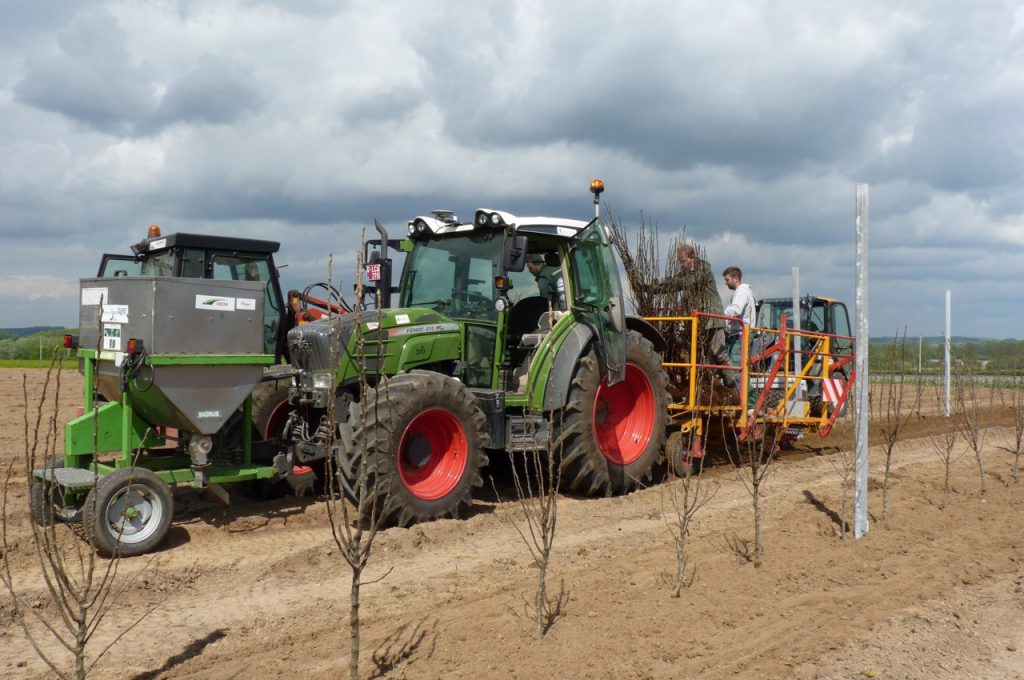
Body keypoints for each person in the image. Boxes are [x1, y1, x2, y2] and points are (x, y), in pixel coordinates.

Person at [657, 243, 735, 388]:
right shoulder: (685, 274)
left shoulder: (703, 268)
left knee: (719, 353)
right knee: (702, 356)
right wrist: (652, 288)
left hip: (713, 317)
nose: (682, 265)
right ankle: (708, 388)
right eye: (680, 262)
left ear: (691, 258)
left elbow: (692, 281)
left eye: (683, 261)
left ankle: (734, 387)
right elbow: (672, 284)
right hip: (701, 320)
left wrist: (675, 282)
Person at [722, 266, 757, 365]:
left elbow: (735, 309)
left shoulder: (741, 292)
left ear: (736, 278)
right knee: (743, 368)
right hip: (743, 333)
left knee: (736, 365)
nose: (726, 283)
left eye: (727, 280)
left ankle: (738, 381)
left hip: (741, 335)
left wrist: (720, 316)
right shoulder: (745, 292)